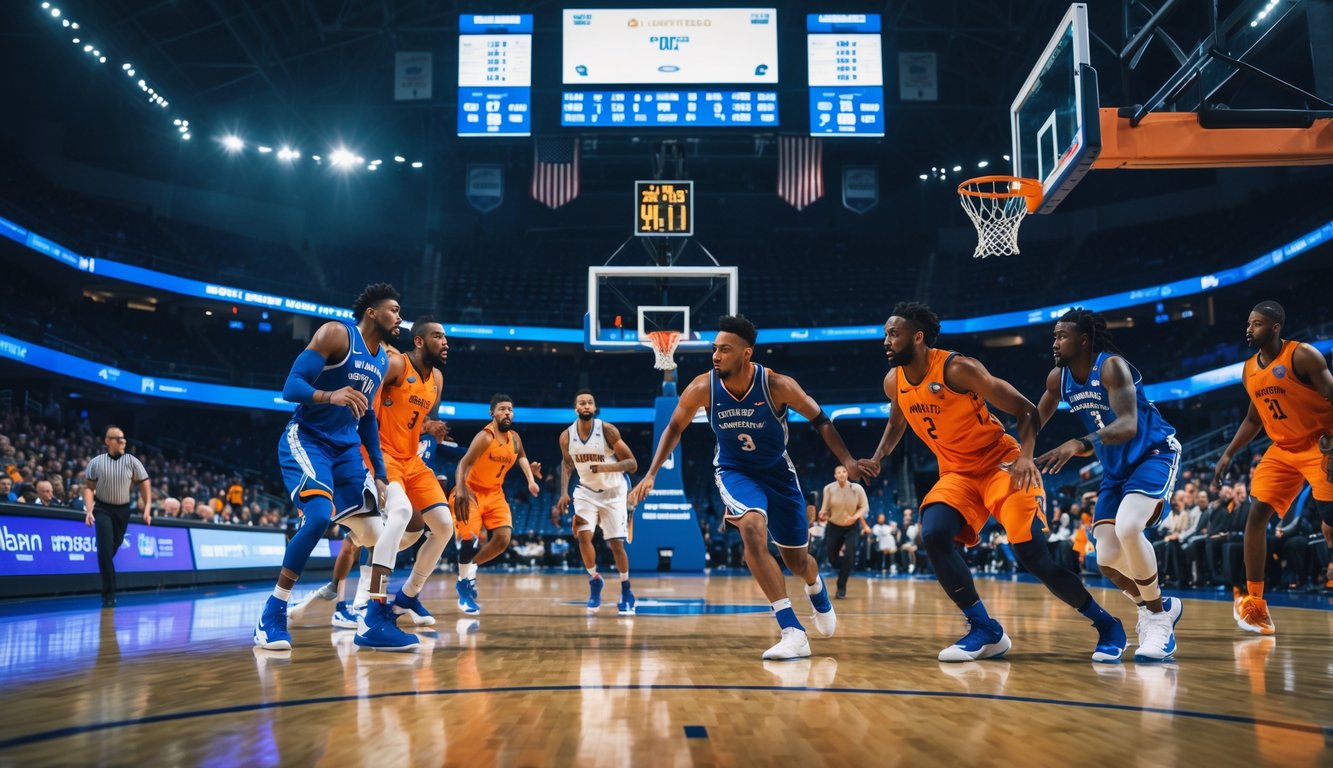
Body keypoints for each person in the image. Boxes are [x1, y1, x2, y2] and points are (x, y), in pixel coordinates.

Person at [859, 302, 1123, 663]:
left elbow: (1026, 409)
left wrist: (1026, 457)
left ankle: (1107, 624)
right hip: (956, 473)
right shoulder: (894, 381)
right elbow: (897, 421)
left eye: (893, 333)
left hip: (1001, 464)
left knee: (1033, 556)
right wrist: (877, 457)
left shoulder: (958, 368)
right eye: (886, 334)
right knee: (933, 534)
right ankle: (985, 629)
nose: (886, 341)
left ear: (917, 337)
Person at [629, 315, 862, 660]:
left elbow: (820, 420)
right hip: (734, 471)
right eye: (714, 349)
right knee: (751, 527)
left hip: (779, 474)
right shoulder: (702, 387)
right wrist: (651, 473)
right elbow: (675, 427)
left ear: (746, 353)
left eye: (725, 350)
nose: (716, 355)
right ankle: (792, 630)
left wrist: (848, 460)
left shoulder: (777, 385)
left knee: (798, 561)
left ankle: (816, 590)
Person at [254, 283, 399, 651]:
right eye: (394, 310)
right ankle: (273, 611)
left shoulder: (383, 360)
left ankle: (372, 615)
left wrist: (380, 473)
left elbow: (368, 419)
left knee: (379, 536)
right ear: (372, 312)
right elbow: (291, 387)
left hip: (347, 450)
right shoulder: (337, 334)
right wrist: (329, 395)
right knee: (319, 517)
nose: (399, 318)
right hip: (309, 439)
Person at [1034, 308, 1183, 662]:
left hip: (1153, 453)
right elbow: (1034, 420)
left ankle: (1159, 620)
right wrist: (1017, 453)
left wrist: (1077, 444)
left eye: (1062, 336)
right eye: (1054, 336)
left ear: (1083, 340)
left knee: (1129, 527)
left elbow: (1129, 425)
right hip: (1115, 469)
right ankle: (1156, 606)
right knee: (1105, 557)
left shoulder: (1111, 366)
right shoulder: (1059, 379)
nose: (1055, 343)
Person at [1212, 301, 1333, 635]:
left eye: (1257, 324)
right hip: (1282, 449)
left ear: (1275, 327)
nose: (1249, 329)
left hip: (1321, 443)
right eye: (1249, 324)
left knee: (1330, 523)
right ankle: (1255, 603)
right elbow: (1253, 419)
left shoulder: (1302, 356)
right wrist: (1228, 453)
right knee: (1256, 514)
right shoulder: (1249, 370)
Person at [358, 316, 456, 643]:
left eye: (446, 337)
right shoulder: (397, 365)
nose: (445, 342)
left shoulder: (437, 379)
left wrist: (430, 428)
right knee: (400, 513)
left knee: (444, 526)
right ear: (419, 341)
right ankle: (374, 609)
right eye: (438, 336)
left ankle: (408, 596)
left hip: (412, 460)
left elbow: (416, 419)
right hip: (383, 456)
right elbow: (368, 407)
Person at [451, 394, 542, 615]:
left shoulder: (515, 438)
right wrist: (460, 488)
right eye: (502, 409)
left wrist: (531, 480)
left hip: (495, 493)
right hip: (471, 491)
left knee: (503, 539)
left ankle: (472, 567)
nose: (507, 413)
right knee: (469, 539)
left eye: (510, 409)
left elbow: (521, 456)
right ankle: (463, 586)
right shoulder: (485, 437)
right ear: (492, 413)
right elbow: (464, 463)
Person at [553, 389, 639, 615]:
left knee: (616, 544)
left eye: (590, 402)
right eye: (582, 403)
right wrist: (563, 492)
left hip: (614, 491)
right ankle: (594, 580)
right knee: (583, 536)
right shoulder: (566, 436)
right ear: (576, 408)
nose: (586, 406)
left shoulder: (607, 430)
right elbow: (567, 464)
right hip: (586, 492)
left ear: (594, 407)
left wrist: (605, 467)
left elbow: (632, 464)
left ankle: (626, 589)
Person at [83, 425, 151, 607]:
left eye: (124, 439)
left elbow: (144, 484)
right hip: (102, 508)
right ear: (108, 441)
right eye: (119, 439)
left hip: (123, 510)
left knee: (113, 546)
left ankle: (107, 585)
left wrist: (147, 507)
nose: (123, 442)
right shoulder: (96, 462)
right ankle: (109, 594)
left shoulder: (132, 461)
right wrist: (89, 510)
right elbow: (89, 488)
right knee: (105, 550)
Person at [819, 465, 871, 598]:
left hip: (851, 527)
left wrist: (854, 517)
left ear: (847, 474)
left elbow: (865, 506)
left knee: (850, 555)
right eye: (839, 472)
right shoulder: (828, 489)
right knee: (832, 558)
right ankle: (846, 565)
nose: (841, 474)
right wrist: (823, 514)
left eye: (844, 471)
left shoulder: (857, 488)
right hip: (834, 526)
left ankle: (841, 587)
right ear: (835, 476)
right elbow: (824, 509)